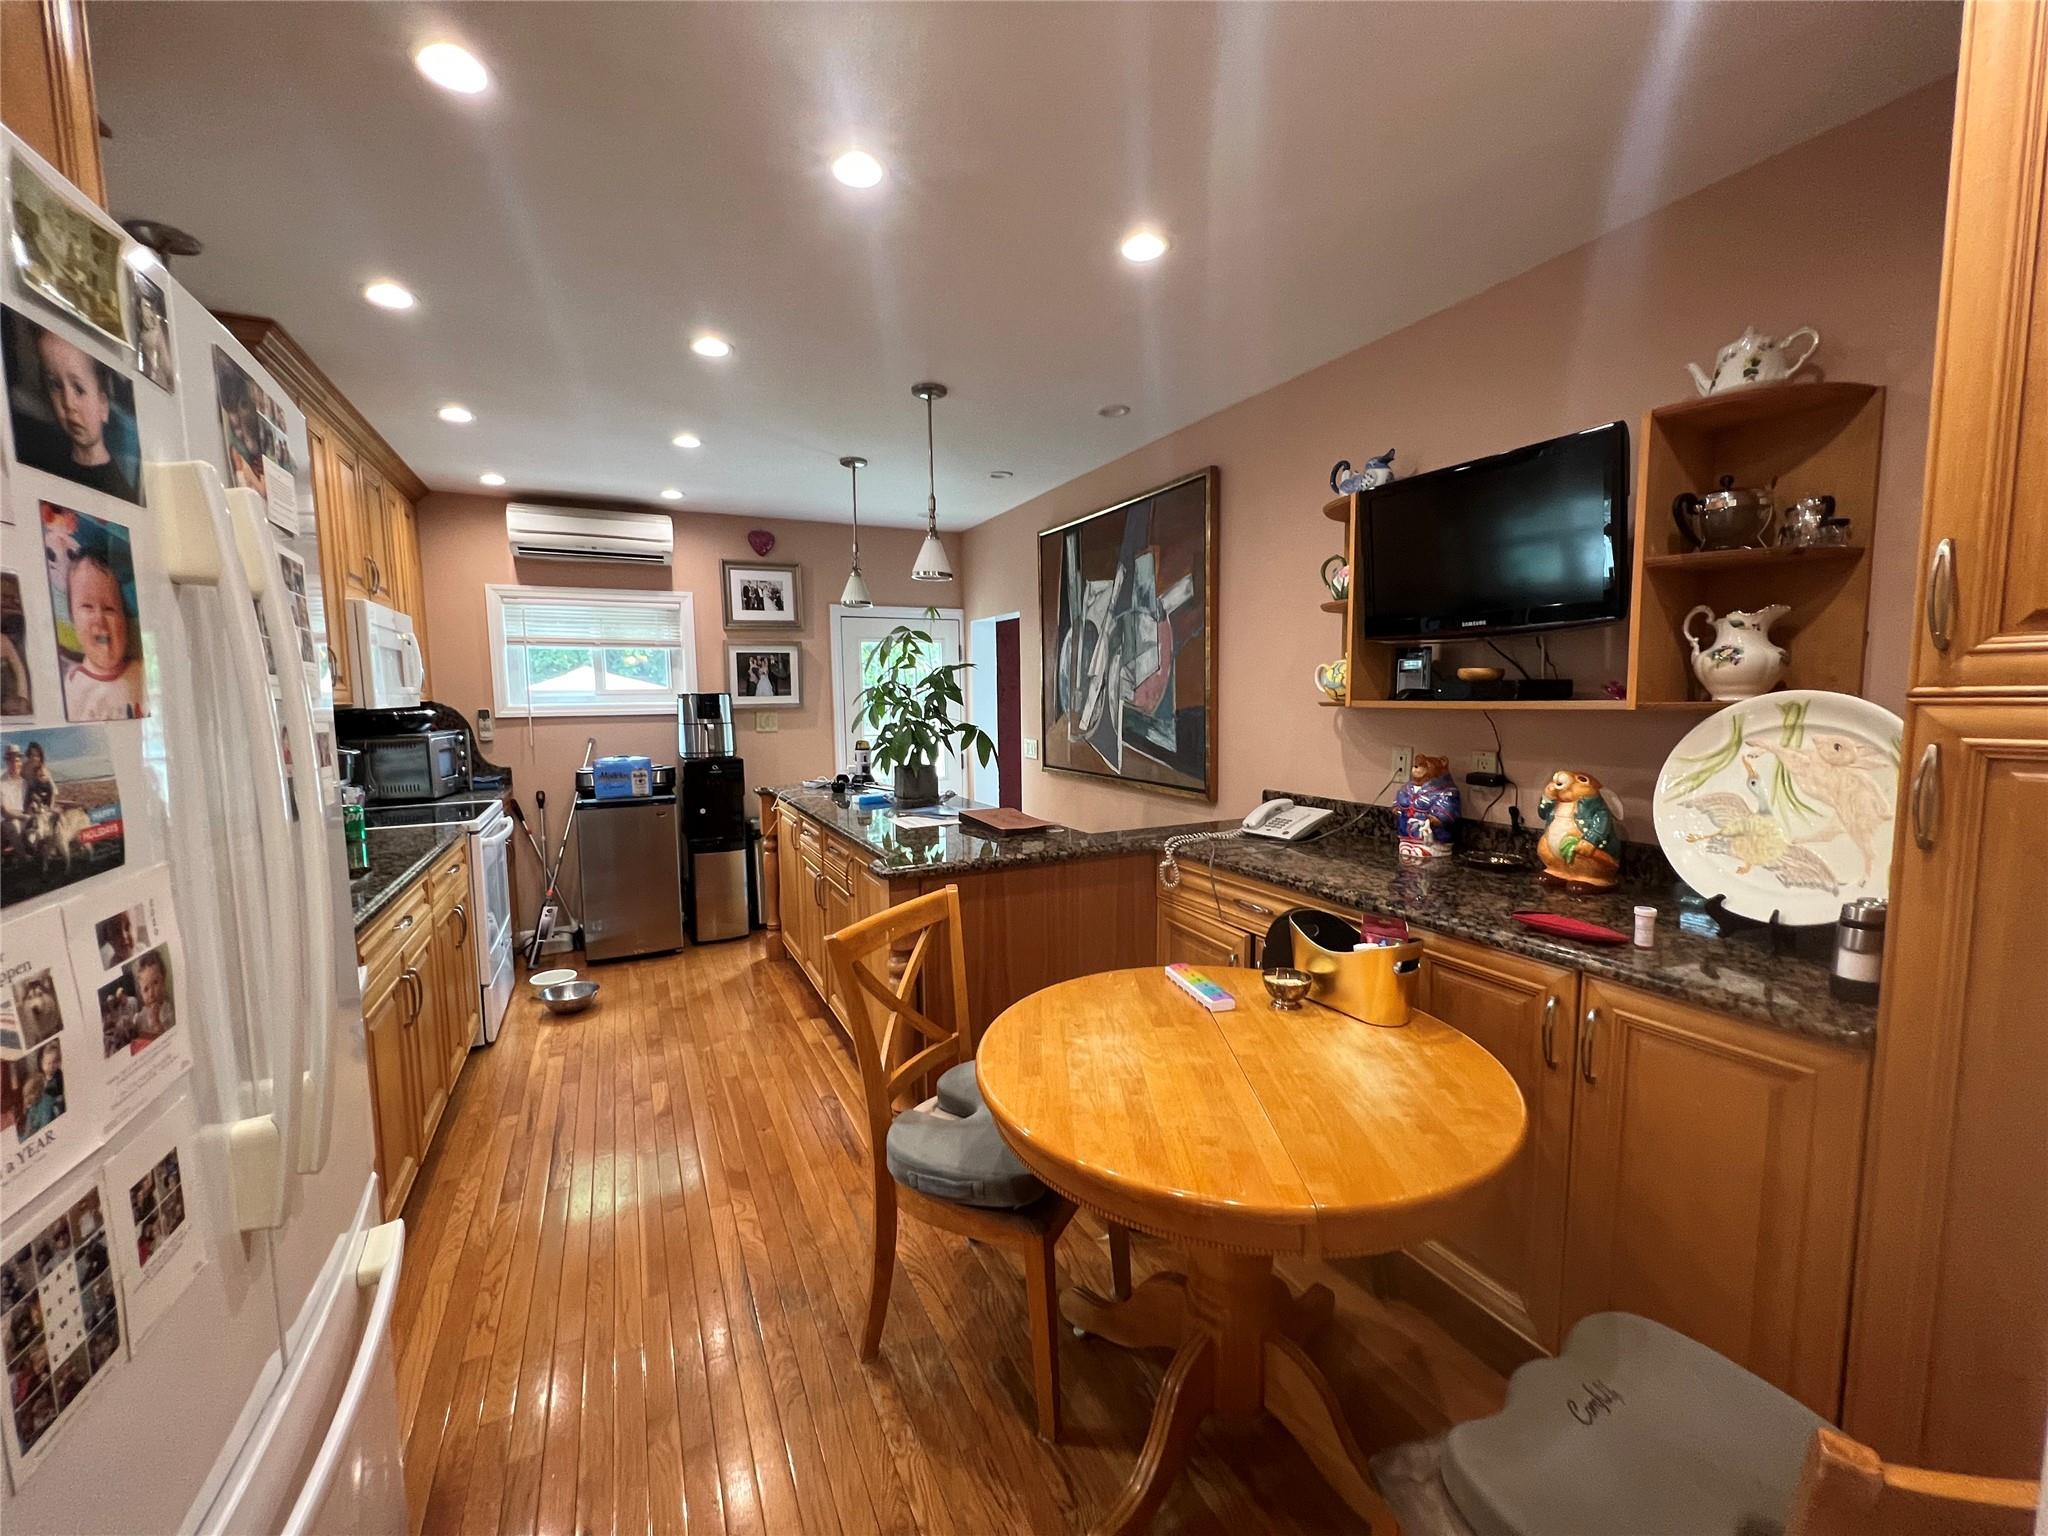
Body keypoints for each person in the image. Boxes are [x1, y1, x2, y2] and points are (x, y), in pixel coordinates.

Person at [17, 330, 137, 502]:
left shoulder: (118, 488)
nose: (68, 403)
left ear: (103, 405)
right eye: (56, 386)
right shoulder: (45, 458)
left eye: (79, 389)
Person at [60, 548, 144, 720]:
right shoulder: (73, 685)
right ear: (72, 618)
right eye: (87, 607)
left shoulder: (141, 672)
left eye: (109, 609)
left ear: (126, 620)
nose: (99, 618)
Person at [135, 951, 173, 1041]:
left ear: (163, 981)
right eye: (146, 989)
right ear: (141, 993)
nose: (151, 994)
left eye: (155, 983)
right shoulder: (140, 1017)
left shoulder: (169, 1010)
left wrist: (157, 1024)